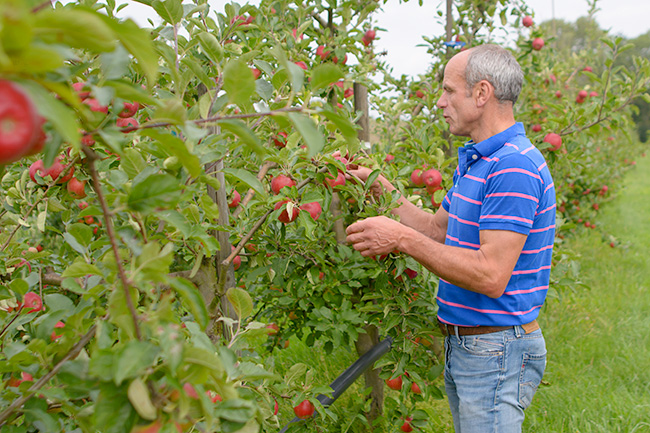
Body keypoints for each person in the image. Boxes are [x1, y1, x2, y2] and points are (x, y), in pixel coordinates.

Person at [345, 44, 555, 432]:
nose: (439, 103)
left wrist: (399, 239)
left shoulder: (513, 168)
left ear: (481, 93)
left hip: (495, 347)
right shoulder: (481, 161)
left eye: (448, 91)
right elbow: (435, 230)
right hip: (470, 346)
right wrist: (378, 185)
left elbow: (491, 276)